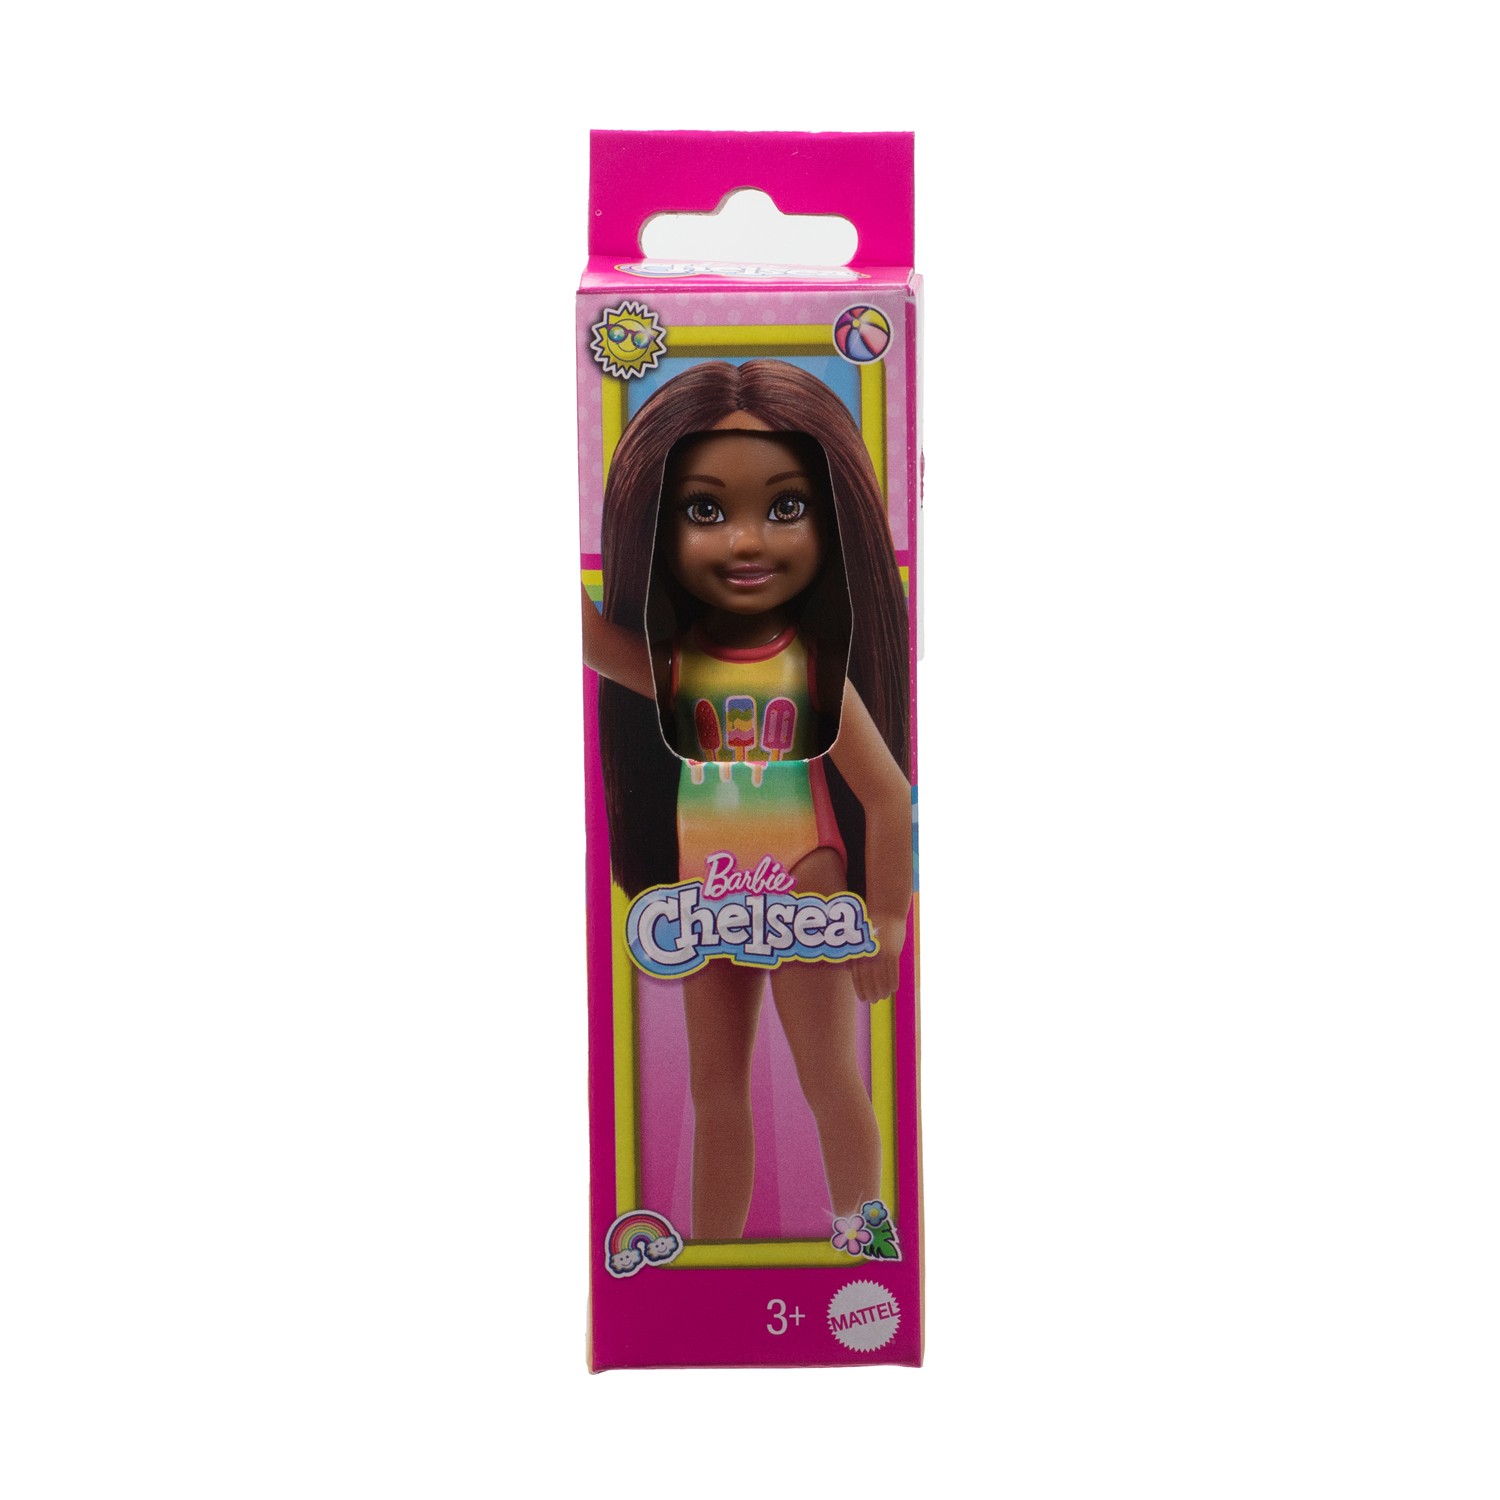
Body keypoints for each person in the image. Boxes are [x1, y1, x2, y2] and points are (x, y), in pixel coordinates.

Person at [581, 359, 911, 1240]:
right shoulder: (683, 668)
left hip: (804, 882)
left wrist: (886, 918)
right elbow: (601, 648)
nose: (746, 541)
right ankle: (711, 1257)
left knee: (827, 1076)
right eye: (705, 512)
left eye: (786, 506)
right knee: (714, 1088)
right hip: (709, 893)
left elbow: (888, 795)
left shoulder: (812, 669)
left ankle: (863, 1237)